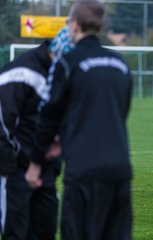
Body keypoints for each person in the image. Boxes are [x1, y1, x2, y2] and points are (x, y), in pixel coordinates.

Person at [25, 1, 133, 239]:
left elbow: (48, 117)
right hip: (120, 170)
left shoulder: (66, 63)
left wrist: (35, 164)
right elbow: (119, 113)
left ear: (74, 25)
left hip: (84, 170)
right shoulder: (121, 65)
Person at [0, 27, 73, 240]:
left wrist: (50, 166)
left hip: (46, 170)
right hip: (13, 172)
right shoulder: (18, 74)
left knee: (45, 231)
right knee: (16, 233)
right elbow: (3, 126)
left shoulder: (62, 75)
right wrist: (14, 170)